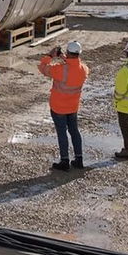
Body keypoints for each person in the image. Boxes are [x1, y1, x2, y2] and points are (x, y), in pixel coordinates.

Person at [39, 40, 89, 171]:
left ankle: (64, 161)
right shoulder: (84, 69)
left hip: (59, 106)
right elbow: (72, 65)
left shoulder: (60, 70)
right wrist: (63, 57)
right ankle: (79, 159)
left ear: (68, 52)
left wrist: (50, 56)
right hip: (73, 106)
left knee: (62, 133)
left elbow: (43, 68)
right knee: (74, 131)